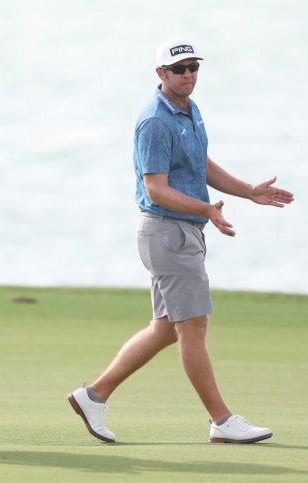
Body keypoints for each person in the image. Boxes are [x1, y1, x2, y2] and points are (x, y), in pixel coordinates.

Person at [67, 38, 294, 444]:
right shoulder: (155, 120)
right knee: (193, 328)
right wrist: (206, 209)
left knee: (166, 329)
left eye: (193, 67)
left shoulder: (189, 110)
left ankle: (93, 396)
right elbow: (155, 188)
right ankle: (222, 421)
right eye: (179, 69)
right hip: (168, 231)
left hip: (178, 232)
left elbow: (199, 162)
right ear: (161, 74)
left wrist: (247, 190)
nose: (187, 74)